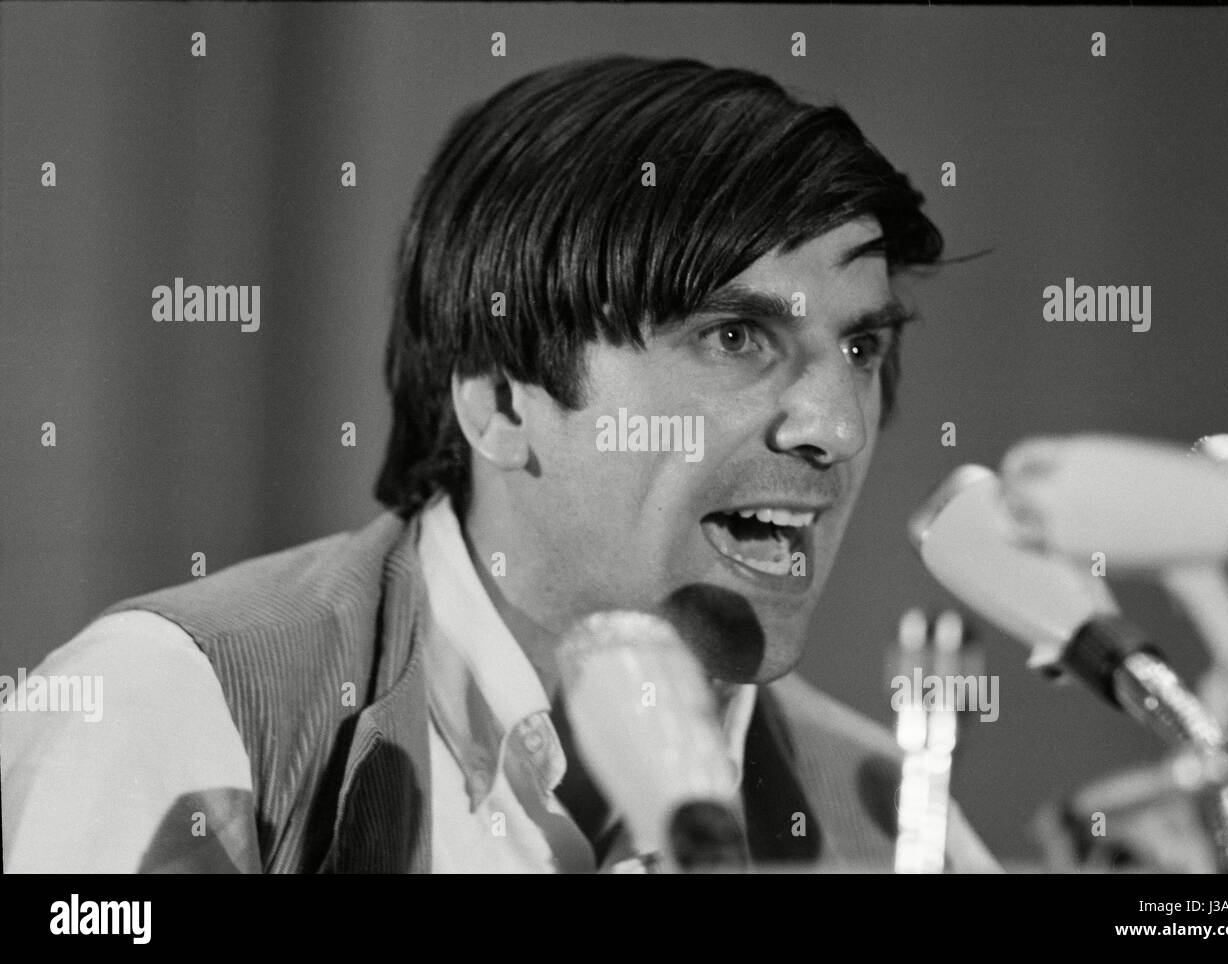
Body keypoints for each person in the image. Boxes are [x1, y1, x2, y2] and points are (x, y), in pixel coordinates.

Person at [1, 55, 998, 873]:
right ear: (501, 398)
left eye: (861, 348)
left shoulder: (891, 821)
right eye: (735, 336)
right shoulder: (180, 707)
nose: (836, 426)